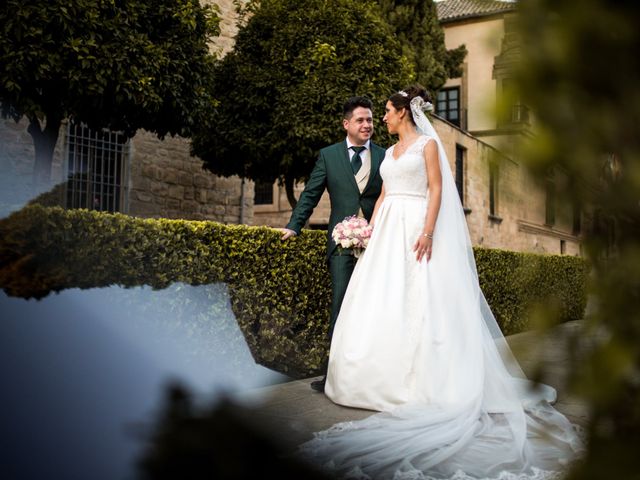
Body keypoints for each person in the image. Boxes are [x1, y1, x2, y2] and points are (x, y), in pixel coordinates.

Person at [298, 85, 584, 479]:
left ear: (404, 113)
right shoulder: (390, 153)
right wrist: (371, 228)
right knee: (380, 300)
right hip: (387, 231)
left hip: (416, 227)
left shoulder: (426, 148)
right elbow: (382, 196)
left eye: (386, 111)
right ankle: (368, 377)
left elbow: (436, 190)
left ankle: (423, 381)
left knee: (422, 299)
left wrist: (428, 232)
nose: (382, 117)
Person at [279, 96, 386, 393]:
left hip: (378, 245)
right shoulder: (329, 156)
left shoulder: (384, 155)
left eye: (371, 120)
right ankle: (333, 377)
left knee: (375, 309)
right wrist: (294, 226)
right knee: (340, 306)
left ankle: (372, 376)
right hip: (341, 244)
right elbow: (310, 194)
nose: (367, 125)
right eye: (361, 120)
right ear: (346, 124)